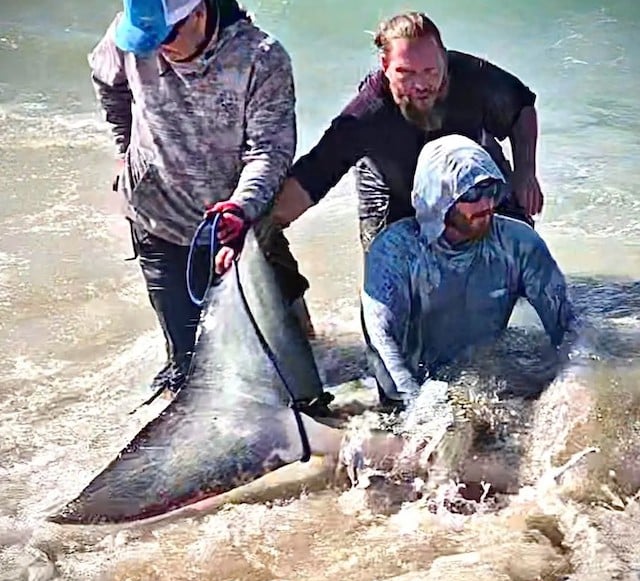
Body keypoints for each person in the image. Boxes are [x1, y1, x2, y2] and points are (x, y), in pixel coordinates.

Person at [89, 0, 310, 397]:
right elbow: (107, 81)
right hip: (158, 217)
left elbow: (269, 152)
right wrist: (125, 149)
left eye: (167, 36)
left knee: (296, 362)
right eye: (146, 40)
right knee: (188, 370)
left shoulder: (261, 58)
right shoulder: (131, 36)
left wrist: (241, 208)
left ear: (200, 13)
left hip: (238, 222)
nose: (156, 48)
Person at [269, 10, 544, 253]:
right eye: (406, 73)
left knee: (520, 244)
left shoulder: (471, 78)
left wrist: (525, 172)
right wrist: (262, 224)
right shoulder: (367, 114)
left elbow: (521, 108)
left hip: (469, 175)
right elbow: (315, 173)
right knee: (390, 274)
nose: (421, 84)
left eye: (430, 70)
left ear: (443, 59)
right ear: (385, 66)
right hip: (392, 192)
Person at [360, 134, 577, 408]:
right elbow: (381, 340)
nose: (485, 204)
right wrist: (416, 406)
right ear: (438, 195)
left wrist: (578, 378)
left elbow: (566, 325)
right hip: (413, 388)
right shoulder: (394, 250)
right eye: (471, 193)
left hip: (483, 379)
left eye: (491, 191)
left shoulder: (518, 244)